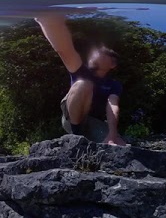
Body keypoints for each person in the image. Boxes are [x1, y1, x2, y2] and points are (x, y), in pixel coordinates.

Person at [34, 12, 126, 146]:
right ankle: (76, 137)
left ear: (112, 64)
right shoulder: (81, 70)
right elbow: (64, 50)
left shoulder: (113, 84)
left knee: (120, 145)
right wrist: (49, 22)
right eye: (95, 51)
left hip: (92, 122)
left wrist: (112, 135)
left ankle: (92, 138)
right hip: (71, 119)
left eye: (102, 52)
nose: (95, 53)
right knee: (84, 83)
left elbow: (112, 106)